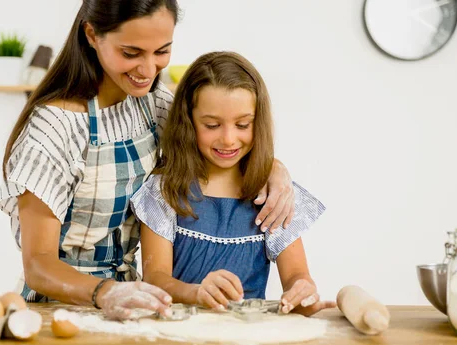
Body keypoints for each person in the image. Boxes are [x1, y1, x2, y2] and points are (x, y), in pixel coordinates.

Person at [0, 0, 297, 321]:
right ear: (91, 34)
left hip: (132, 299)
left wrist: (273, 169)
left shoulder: (154, 103)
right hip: (56, 307)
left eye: (161, 51)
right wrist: (105, 291)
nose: (148, 70)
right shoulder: (56, 127)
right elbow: (39, 265)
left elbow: (217, 148)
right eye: (131, 53)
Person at [131, 51, 335, 316]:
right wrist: (196, 293)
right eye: (212, 125)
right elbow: (155, 278)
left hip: (248, 341)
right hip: (180, 338)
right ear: (188, 121)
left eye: (242, 124)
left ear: (257, 122)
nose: (228, 139)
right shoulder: (164, 191)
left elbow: (297, 276)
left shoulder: (273, 195)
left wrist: (303, 291)